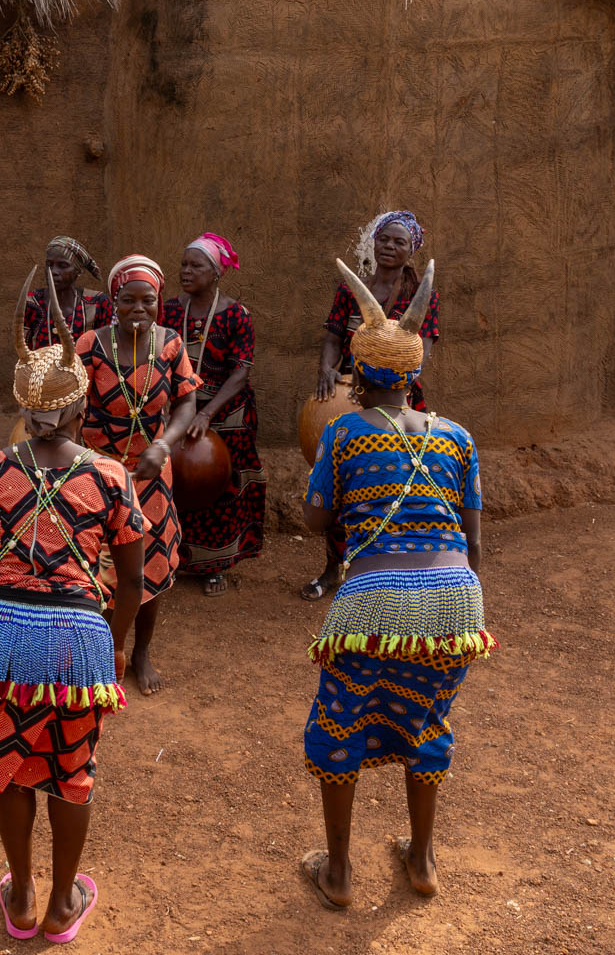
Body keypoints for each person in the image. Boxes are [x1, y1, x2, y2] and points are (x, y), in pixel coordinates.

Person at [0, 267, 144, 944]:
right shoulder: (112, 476)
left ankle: (24, 895)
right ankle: (64, 902)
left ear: (23, 405)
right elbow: (130, 581)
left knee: (7, 756)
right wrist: (112, 641)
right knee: (71, 765)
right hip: (76, 635)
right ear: (77, 406)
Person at [298, 259, 493, 910]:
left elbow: (315, 516)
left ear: (356, 375)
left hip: (374, 597)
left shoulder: (343, 431)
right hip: (455, 597)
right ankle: (422, 859)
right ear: (414, 374)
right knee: (427, 720)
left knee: (339, 721)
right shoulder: (456, 437)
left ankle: (339, 872)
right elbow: (471, 534)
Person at [75, 255, 200, 695]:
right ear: (114, 301)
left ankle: (140, 652)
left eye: (148, 300)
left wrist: (164, 445)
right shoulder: (90, 345)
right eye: (129, 300)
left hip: (150, 473)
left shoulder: (170, 344)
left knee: (150, 564)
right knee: (95, 565)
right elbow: (73, 404)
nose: (139, 309)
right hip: (96, 474)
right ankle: (99, 650)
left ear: (159, 301)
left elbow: (186, 403)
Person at [305, 210, 441, 602]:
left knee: (392, 483)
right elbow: (333, 337)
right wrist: (327, 368)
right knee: (338, 483)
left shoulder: (419, 297)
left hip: (399, 401)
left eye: (399, 242)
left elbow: (421, 352)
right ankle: (334, 568)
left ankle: (385, 572)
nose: (390, 247)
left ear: (411, 249)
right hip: (347, 397)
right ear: (374, 243)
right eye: (384, 239)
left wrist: (393, 386)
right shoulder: (352, 289)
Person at [160, 233, 266, 595]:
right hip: (179, 411)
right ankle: (175, 559)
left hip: (227, 413)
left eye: (196, 265)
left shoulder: (236, 314)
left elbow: (241, 372)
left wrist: (206, 414)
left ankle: (215, 565)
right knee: (177, 484)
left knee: (219, 487)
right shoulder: (171, 310)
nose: (186, 271)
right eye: (184, 264)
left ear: (216, 273)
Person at [23, 236, 109, 347]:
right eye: (49, 265)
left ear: (78, 271)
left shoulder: (97, 303)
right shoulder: (32, 302)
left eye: (63, 266)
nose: (53, 271)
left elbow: (108, 350)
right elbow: (24, 352)